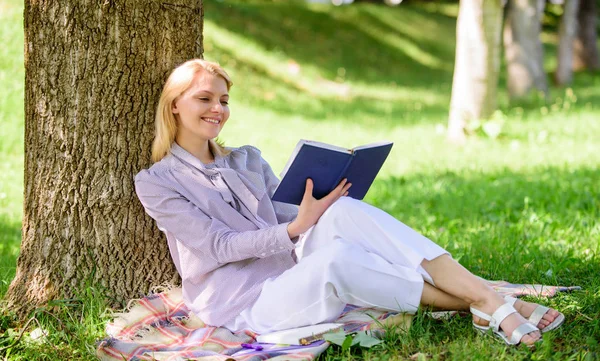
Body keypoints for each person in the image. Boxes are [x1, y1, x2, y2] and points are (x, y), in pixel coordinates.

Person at [134, 59, 564, 347]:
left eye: (224, 100)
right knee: (336, 259)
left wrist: (322, 199)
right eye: (204, 98)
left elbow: (287, 213)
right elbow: (215, 247)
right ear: (174, 105)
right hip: (246, 307)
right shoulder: (157, 182)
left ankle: (486, 302)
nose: (218, 109)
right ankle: (487, 301)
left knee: (343, 212)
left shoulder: (245, 158)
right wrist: (295, 228)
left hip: (291, 270)